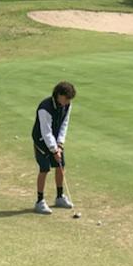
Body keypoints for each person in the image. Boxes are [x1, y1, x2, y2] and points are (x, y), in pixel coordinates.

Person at [31, 81, 76, 214]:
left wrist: (60, 145)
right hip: (41, 140)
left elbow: (64, 124)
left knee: (60, 166)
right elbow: (46, 132)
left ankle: (60, 197)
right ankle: (40, 201)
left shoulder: (67, 105)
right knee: (44, 169)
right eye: (66, 98)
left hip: (55, 140)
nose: (68, 102)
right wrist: (54, 149)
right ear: (59, 95)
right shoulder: (45, 108)